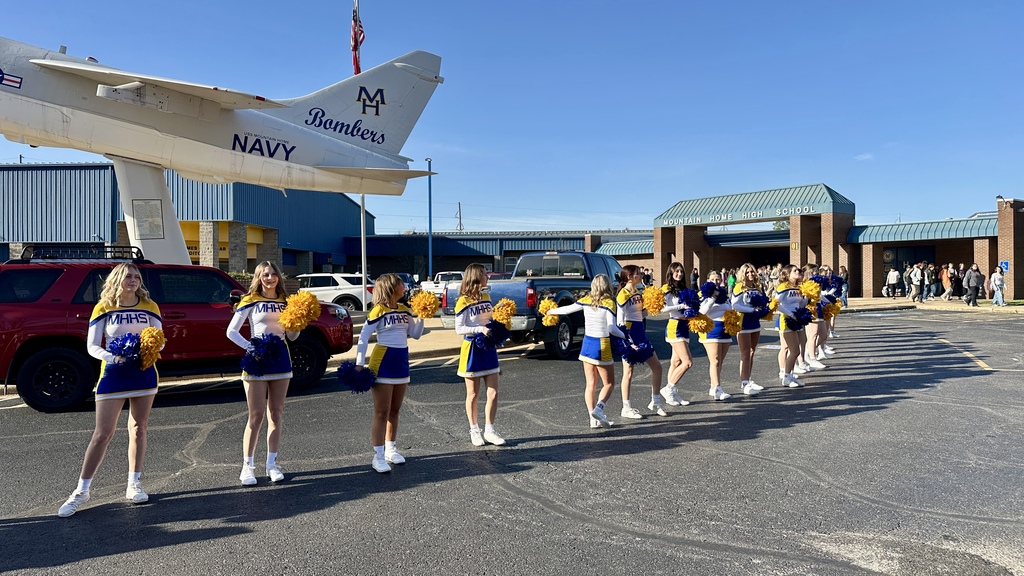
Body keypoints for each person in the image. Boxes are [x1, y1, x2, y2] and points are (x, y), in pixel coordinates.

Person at [58, 263, 163, 517]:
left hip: (143, 372)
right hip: (113, 374)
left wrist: (149, 350)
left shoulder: (149, 305)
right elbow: (92, 346)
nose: (133, 280)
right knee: (102, 433)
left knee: (139, 428)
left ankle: (134, 482)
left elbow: (159, 339)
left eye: (137, 277)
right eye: (128, 276)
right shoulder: (104, 306)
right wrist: (114, 357)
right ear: (117, 279)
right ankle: (82, 491)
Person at [226, 261, 298, 486]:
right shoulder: (250, 300)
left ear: (279, 277)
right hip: (257, 361)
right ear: (259, 277)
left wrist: (298, 322)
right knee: (256, 416)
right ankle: (247, 466)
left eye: (273, 274)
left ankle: (272, 464)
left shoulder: (286, 302)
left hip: (281, 360)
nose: (270, 278)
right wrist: (251, 347)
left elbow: (293, 337)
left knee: (276, 413)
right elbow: (231, 331)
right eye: (265, 274)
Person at [354, 273, 425, 472]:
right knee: (381, 412)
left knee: (395, 410)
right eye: (402, 284)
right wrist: (359, 364)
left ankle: (390, 449)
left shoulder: (404, 309)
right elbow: (363, 337)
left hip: (401, 362)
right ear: (392, 287)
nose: (405, 287)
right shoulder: (378, 310)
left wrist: (422, 316)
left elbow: (416, 335)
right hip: (383, 361)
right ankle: (377, 456)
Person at [545, 274, 626, 428]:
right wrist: (625, 336)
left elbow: (568, 309)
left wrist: (551, 312)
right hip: (602, 344)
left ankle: (592, 419)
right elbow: (611, 328)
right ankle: (599, 409)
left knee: (591, 384)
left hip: (587, 344)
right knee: (609, 383)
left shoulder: (586, 300)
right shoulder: (609, 303)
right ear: (607, 286)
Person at [453, 264, 505, 446]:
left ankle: (490, 429)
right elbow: (459, 328)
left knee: (493, 391)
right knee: (473, 394)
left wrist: (498, 325)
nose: (487, 277)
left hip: (489, 347)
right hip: (472, 348)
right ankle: (474, 430)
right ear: (476, 277)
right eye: (484, 274)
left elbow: (488, 321)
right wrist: (480, 329)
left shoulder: (486, 296)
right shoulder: (463, 301)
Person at [616, 265, 666, 417]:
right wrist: (628, 341)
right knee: (628, 372)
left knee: (657, 367)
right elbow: (620, 321)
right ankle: (626, 407)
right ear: (630, 277)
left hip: (641, 334)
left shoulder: (638, 292)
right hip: (629, 335)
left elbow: (640, 315)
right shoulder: (622, 295)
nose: (641, 275)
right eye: (637, 273)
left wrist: (652, 307)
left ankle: (655, 401)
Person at [659, 263, 694, 407]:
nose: (679, 274)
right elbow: (662, 309)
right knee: (687, 362)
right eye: (676, 271)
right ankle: (668, 389)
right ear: (671, 272)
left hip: (685, 326)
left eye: (681, 271)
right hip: (674, 326)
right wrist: (680, 306)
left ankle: (671, 394)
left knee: (676, 362)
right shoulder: (666, 289)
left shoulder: (684, 289)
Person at [731, 263, 766, 395]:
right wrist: (751, 310)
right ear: (742, 274)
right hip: (743, 322)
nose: (750, 274)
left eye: (752, 272)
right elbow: (735, 305)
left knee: (752, 352)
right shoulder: (739, 287)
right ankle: (744, 383)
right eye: (747, 272)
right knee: (745, 354)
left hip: (755, 322)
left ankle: (749, 379)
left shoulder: (757, 287)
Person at [699, 270, 733, 401]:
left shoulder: (724, 295)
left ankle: (714, 387)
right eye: (713, 279)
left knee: (720, 362)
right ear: (708, 281)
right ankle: (718, 388)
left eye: (718, 279)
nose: (716, 282)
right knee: (715, 360)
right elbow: (702, 311)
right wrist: (713, 297)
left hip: (724, 329)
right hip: (711, 329)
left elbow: (730, 309)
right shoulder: (704, 295)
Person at [775, 265, 808, 388]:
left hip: (798, 319)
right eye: (795, 270)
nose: (798, 272)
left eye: (799, 270)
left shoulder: (799, 288)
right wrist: (790, 314)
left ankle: (790, 375)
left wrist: (809, 296)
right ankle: (786, 376)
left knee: (799, 346)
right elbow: (776, 304)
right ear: (787, 274)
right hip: (787, 320)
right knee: (794, 351)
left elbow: (802, 304)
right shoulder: (783, 287)